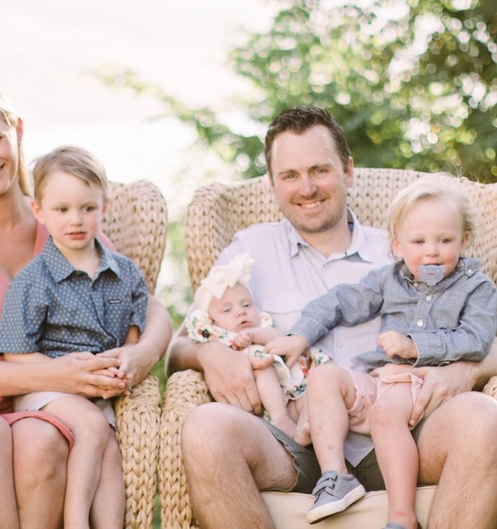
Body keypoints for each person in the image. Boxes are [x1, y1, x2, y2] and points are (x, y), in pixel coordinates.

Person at [167, 105, 497, 528]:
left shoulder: (407, 248)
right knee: (205, 427)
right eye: (290, 175)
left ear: (348, 171)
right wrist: (210, 355)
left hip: (402, 429)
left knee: (482, 419)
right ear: (272, 184)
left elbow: (486, 332)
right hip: (290, 443)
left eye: (320, 170)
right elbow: (179, 347)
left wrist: (466, 371)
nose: (306, 188)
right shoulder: (248, 251)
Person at [0, 79, 172, 528]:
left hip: (38, 404)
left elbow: (149, 305)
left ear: (16, 130)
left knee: (44, 440)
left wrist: (141, 354)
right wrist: (58, 374)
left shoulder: (62, 219)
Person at [263, 175, 497, 527]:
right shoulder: (390, 279)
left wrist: (415, 346)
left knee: (386, 412)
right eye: (418, 241)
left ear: (464, 240)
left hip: (421, 383)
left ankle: (402, 516)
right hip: (380, 378)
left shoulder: (477, 287)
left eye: (445, 240)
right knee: (324, 377)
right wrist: (300, 335)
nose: (431, 251)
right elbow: (342, 301)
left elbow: (476, 339)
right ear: (398, 246)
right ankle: (336, 476)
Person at [0, 146, 148, 528]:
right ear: (39, 211)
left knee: (110, 451)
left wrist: (126, 359)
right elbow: (16, 355)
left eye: (88, 208)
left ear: (104, 206)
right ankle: (76, 521)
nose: (76, 220)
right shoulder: (31, 281)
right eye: (62, 209)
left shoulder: (125, 272)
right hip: (45, 387)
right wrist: (65, 374)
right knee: (93, 426)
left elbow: (134, 331)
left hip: (98, 390)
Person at [185, 252, 329, 440]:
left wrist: (254, 334)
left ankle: (305, 427)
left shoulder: (262, 324)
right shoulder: (216, 337)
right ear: (211, 320)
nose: (240, 312)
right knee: (263, 368)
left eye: (246, 305)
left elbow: (278, 337)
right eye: (227, 310)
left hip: (292, 387)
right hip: (254, 396)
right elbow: (187, 344)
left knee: (310, 399)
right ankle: (280, 419)